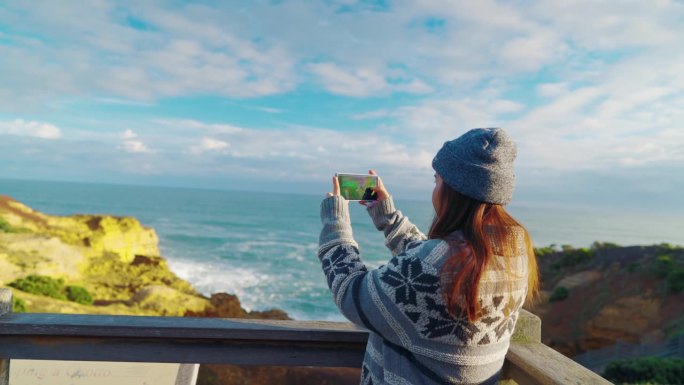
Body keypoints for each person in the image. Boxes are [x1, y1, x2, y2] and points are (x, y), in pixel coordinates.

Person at [317, 128, 539, 385]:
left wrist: (335, 223)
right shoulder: (513, 252)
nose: (434, 189)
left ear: (454, 189)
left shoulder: (432, 268)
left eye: (436, 180)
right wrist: (387, 217)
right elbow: (434, 264)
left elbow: (352, 293)